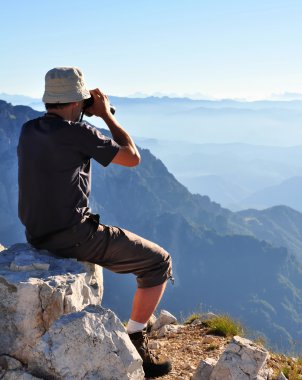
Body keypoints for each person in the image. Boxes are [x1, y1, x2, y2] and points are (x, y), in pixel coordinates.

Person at [17, 67, 173, 378]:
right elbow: (132, 157)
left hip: (36, 234)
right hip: (74, 235)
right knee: (158, 262)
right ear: (77, 102)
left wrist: (81, 114)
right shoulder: (81, 133)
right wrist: (104, 115)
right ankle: (136, 340)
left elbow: (60, 141)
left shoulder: (28, 130)